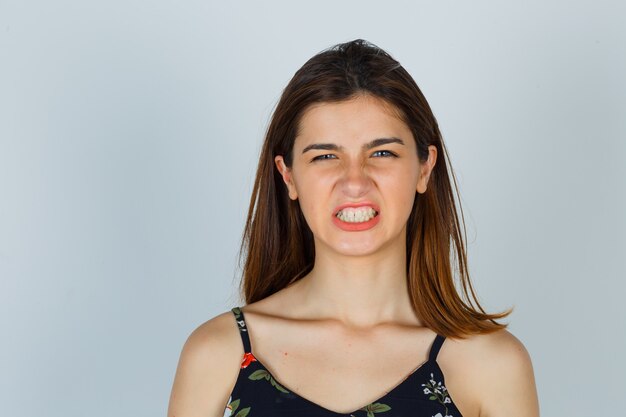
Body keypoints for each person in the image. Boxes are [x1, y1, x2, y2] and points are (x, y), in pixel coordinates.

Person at [167, 39, 540, 417]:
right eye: (326, 156)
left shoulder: (492, 366)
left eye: (382, 153)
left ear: (424, 168)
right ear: (289, 176)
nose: (355, 182)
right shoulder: (218, 355)